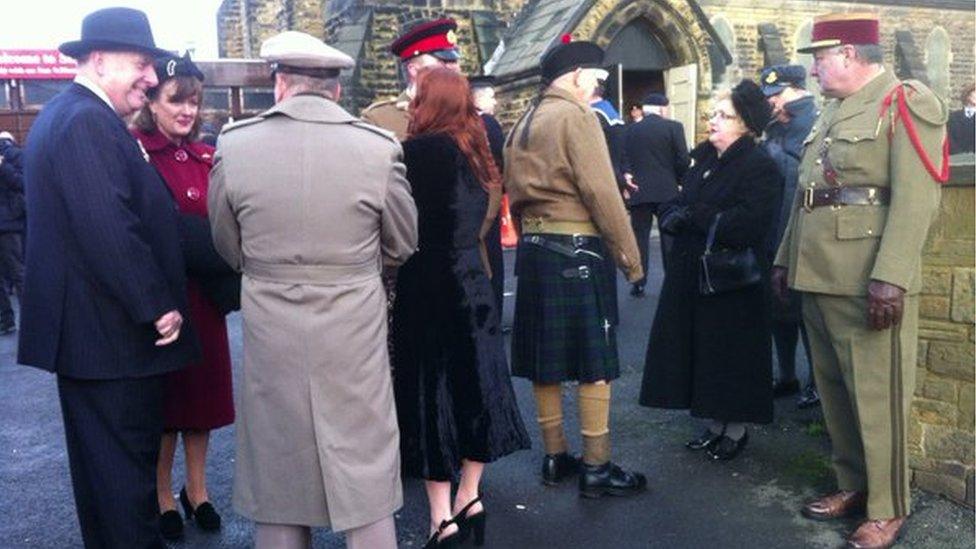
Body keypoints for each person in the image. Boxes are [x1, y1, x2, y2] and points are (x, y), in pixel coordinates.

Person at [208, 31, 418, 549]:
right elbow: (403, 242)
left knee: (279, 478)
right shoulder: (376, 148)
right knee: (364, 469)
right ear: (336, 89)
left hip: (271, 329)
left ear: (280, 84)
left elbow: (226, 245)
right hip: (354, 332)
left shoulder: (235, 146)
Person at [18, 7, 198, 547]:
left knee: (109, 485)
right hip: (112, 341)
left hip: (99, 341)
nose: (151, 76)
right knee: (123, 492)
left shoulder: (73, 115)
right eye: (141, 64)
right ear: (98, 61)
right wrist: (157, 305)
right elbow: (108, 225)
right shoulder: (86, 121)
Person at [772, 13, 947, 548]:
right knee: (835, 392)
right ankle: (852, 483)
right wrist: (785, 260)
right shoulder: (833, 111)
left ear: (849, 54)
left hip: (866, 276)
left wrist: (890, 277)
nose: (815, 70)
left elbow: (918, 199)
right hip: (819, 274)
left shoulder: (905, 102)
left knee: (878, 395)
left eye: (820, 59)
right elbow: (808, 195)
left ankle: (888, 506)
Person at [393, 67, 530, 548]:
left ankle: (439, 518)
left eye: (416, 93)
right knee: (479, 390)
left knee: (432, 398)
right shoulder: (478, 152)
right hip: (475, 281)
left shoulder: (413, 153)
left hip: (426, 285)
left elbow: (399, 230)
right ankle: (469, 497)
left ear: (428, 101)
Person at [505, 40, 647, 498]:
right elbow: (602, 193)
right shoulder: (576, 117)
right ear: (579, 74)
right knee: (593, 362)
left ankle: (554, 457)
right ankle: (597, 467)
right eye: (598, 79)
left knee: (546, 362)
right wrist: (630, 258)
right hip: (577, 250)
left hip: (535, 248)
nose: (597, 88)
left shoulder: (524, 120)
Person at [639, 80, 780, 461]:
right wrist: (672, 213)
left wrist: (694, 216)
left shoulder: (759, 165)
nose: (713, 121)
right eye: (713, 114)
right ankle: (714, 424)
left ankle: (735, 430)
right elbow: (678, 200)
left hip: (731, 280)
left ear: (747, 125)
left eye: (724, 116)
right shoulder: (704, 160)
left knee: (729, 356)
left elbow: (749, 222)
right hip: (695, 275)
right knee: (704, 352)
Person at [131, 52, 237, 540]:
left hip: (205, 300)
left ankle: (198, 491)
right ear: (151, 101)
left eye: (193, 101)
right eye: (176, 100)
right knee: (165, 410)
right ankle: (162, 494)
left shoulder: (207, 157)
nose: (187, 111)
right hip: (162, 301)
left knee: (203, 405)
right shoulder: (135, 153)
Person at [759, 64, 820, 409]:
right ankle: (787, 376)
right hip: (772, 232)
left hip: (801, 235)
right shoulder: (776, 127)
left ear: (798, 89)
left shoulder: (814, 124)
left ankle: (816, 382)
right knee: (777, 310)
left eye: (777, 94)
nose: (772, 102)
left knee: (806, 315)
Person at [623, 92, 689, 294]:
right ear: (661, 108)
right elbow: (682, 160)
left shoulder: (630, 131)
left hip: (639, 192)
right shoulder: (674, 127)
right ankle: (672, 282)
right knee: (669, 236)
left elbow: (624, 160)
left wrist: (628, 180)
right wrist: (679, 180)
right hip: (666, 191)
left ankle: (639, 282)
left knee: (640, 238)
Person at [361, 18, 462, 140]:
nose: (453, 67)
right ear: (414, 70)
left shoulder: (468, 115)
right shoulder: (380, 120)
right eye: (443, 61)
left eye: (454, 60)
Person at [470, 74, 506, 311]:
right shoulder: (488, 124)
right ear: (478, 99)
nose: (495, 103)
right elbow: (501, 160)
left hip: (468, 200)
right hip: (488, 197)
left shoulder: (460, 123)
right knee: (492, 258)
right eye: (491, 97)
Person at [0, 131, 24, 334]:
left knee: (17, 272)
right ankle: (5, 319)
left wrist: (3, 167)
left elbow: (23, 183)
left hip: (8, 224)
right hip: (8, 222)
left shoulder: (9, 155)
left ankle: (33, 317)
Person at [947, 83, 975, 154]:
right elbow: (949, 138)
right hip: (956, 159)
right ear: (968, 95)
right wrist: (958, 153)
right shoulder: (953, 117)